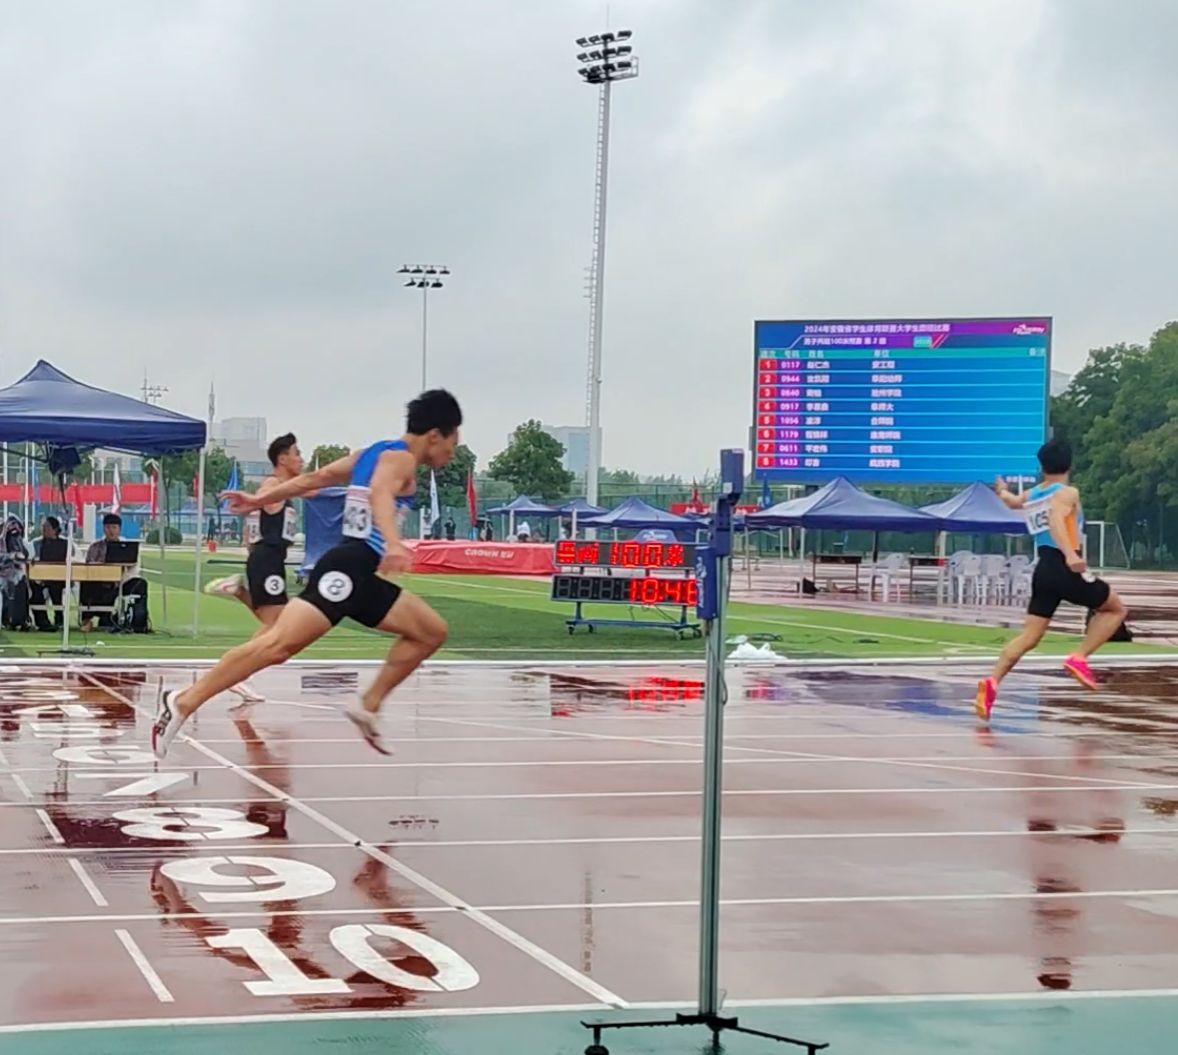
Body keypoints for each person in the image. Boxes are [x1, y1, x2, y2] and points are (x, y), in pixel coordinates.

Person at [150, 389, 461, 760]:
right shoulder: (402, 459)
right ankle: (183, 701)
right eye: (454, 443)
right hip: (346, 571)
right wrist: (394, 543)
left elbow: (316, 478)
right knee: (275, 646)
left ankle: (369, 705)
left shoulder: (373, 452)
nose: (452, 453)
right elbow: (380, 492)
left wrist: (258, 500)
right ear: (435, 435)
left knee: (430, 632)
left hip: (359, 575)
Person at [976, 439, 1127, 721]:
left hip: (1043, 569)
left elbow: (1012, 503)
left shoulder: (1034, 493)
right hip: (1063, 565)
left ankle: (992, 681)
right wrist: (1070, 555)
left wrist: (1002, 490)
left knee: (1030, 637)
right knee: (1115, 609)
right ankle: (1079, 658)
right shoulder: (1067, 492)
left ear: (1042, 467)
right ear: (1070, 464)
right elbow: (1057, 520)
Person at [203, 433, 309, 704]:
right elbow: (262, 499)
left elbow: (255, 523)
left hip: (269, 560)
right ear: (283, 459)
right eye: (297, 454)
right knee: (278, 626)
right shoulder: (272, 485)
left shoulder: (283, 488)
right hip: (267, 560)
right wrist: (250, 501)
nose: (301, 459)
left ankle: (238, 592)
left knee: (277, 624)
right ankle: (239, 675)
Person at [81, 513, 148, 632]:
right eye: (108, 527)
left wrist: (119, 577)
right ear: (103, 528)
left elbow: (134, 569)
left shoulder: (128, 547)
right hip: (99, 581)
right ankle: (87, 619)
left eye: (114, 527)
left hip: (122, 581)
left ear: (119, 529)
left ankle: (138, 622)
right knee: (87, 584)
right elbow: (88, 566)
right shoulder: (95, 547)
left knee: (140, 584)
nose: (111, 531)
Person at [30, 516, 72, 631]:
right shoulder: (36, 543)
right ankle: (42, 621)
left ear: (55, 529)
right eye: (43, 526)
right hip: (39, 578)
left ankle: (59, 617)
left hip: (60, 577)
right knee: (34, 589)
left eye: (47, 527)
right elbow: (31, 559)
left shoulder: (66, 544)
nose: (44, 529)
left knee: (55, 587)